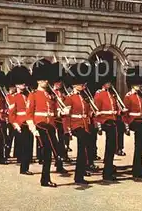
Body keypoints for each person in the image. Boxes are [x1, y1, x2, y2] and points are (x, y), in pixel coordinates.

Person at [26, 59, 62, 187]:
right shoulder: (33, 95)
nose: (46, 82)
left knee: (47, 153)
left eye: (47, 79)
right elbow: (29, 114)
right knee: (49, 131)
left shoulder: (50, 96)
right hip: (40, 125)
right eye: (43, 79)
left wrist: (64, 111)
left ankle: (45, 179)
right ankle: (59, 153)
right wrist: (32, 128)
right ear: (37, 80)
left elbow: (54, 113)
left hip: (50, 124)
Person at [63, 62, 92, 184]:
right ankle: (79, 176)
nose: (83, 85)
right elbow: (66, 115)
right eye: (81, 83)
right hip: (75, 125)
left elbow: (88, 111)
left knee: (86, 147)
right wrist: (67, 130)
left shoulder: (84, 97)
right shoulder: (70, 97)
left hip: (84, 124)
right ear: (75, 84)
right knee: (82, 148)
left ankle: (81, 173)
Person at [93, 62, 122, 182]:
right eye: (107, 82)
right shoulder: (99, 95)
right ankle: (107, 172)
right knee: (110, 146)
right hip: (105, 121)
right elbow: (96, 111)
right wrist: (98, 125)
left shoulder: (112, 94)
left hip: (113, 121)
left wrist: (120, 111)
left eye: (110, 81)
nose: (109, 84)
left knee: (112, 145)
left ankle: (110, 165)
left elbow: (115, 110)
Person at [8, 65, 34, 175]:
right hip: (20, 124)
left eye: (24, 82)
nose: (24, 84)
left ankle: (26, 166)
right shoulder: (14, 97)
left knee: (30, 145)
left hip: (29, 123)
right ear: (17, 84)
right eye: (21, 82)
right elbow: (11, 114)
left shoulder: (29, 95)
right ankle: (23, 168)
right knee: (24, 146)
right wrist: (16, 125)